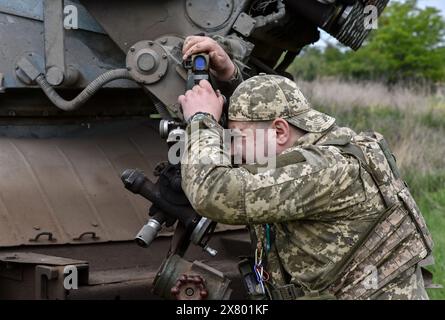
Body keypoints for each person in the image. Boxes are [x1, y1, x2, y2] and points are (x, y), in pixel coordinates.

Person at [178, 36, 434, 300]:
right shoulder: (316, 142)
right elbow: (263, 118)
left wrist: (201, 119)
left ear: (280, 130)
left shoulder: (327, 170)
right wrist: (230, 78)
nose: (232, 149)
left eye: (238, 137)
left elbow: (213, 192)